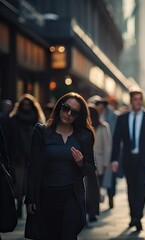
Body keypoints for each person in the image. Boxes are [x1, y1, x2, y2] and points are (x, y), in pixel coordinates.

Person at [25, 92, 96, 239]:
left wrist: (81, 163)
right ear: (59, 108)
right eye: (66, 108)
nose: (68, 114)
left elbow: (90, 168)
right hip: (45, 196)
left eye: (74, 112)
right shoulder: (41, 132)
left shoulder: (84, 136)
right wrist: (30, 198)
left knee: (68, 236)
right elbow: (33, 167)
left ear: (79, 115)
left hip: (71, 195)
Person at [111, 90, 145, 231]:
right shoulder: (122, 118)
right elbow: (116, 141)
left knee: (142, 188)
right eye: (135, 99)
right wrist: (114, 160)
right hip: (128, 159)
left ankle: (137, 217)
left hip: (144, 160)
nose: (138, 102)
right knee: (131, 189)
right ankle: (133, 215)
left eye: (140, 99)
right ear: (131, 101)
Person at [3, 94, 45, 218]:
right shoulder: (14, 119)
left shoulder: (36, 120)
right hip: (18, 155)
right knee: (19, 183)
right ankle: (19, 207)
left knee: (31, 182)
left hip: (33, 155)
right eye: (24, 104)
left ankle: (30, 206)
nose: (26, 106)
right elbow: (9, 138)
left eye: (28, 104)